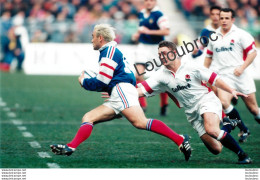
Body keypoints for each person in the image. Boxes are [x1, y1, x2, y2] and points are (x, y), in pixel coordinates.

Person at [50, 24, 192, 161]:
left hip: (122, 91)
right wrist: (111, 88)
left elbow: (102, 81)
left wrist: (84, 82)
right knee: (88, 117)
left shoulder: (109, 53)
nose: (91, 39)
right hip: (119, 92)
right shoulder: (110, 52)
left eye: (93, 36)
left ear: (100, 38)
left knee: (140, 122)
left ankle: (180, 139)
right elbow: (114, 79)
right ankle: (71, 147)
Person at [137, 40, 252, 164]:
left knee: (211, 129)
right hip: (191, 112)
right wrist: (119, 92)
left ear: (174, 53)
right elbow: (140, 90)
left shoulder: (190, 66)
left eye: (164, 53)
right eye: (160, 55)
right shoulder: (160, 75)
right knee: (216, 149)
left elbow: (214, 79)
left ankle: (243, 155)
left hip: (206, 100)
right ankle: (228, 125)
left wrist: (231, 90)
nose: (162, 57)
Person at [192, 6, 250, 140]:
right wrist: (196, 52)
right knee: (219, 101)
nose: (215, 17)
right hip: (212, 71)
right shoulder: (206, 32)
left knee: (222, 101)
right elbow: (201, 49)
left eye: (218, 14)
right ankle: (240, 127)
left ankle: (236, 126)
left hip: (225, 73)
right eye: (213, 14)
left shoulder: (229, 32)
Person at [205, 8, 260, 143]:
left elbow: (252, 53)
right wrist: (203, 73)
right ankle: (243, 128)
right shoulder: (214, 36)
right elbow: (208, 57)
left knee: (253, 109)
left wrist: (242, 68)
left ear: (233, 19)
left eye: (226, 18)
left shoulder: (241, 34)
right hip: (224, 76)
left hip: (241, 76)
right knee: (224, 102)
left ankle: (245, 127)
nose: (223, 20)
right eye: (221, 17)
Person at [132, 0, 170, 115]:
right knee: (138, 75)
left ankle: (164, 103)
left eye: (151, 0)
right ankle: (142, 105)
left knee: (162, 78)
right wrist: (138, 34)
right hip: (143, 47)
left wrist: (149, 31)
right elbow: (142, 28)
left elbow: (166, 31)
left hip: (156, 48)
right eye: (147, 0)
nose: (149, 2)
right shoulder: (142, 13)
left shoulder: (159, 15)